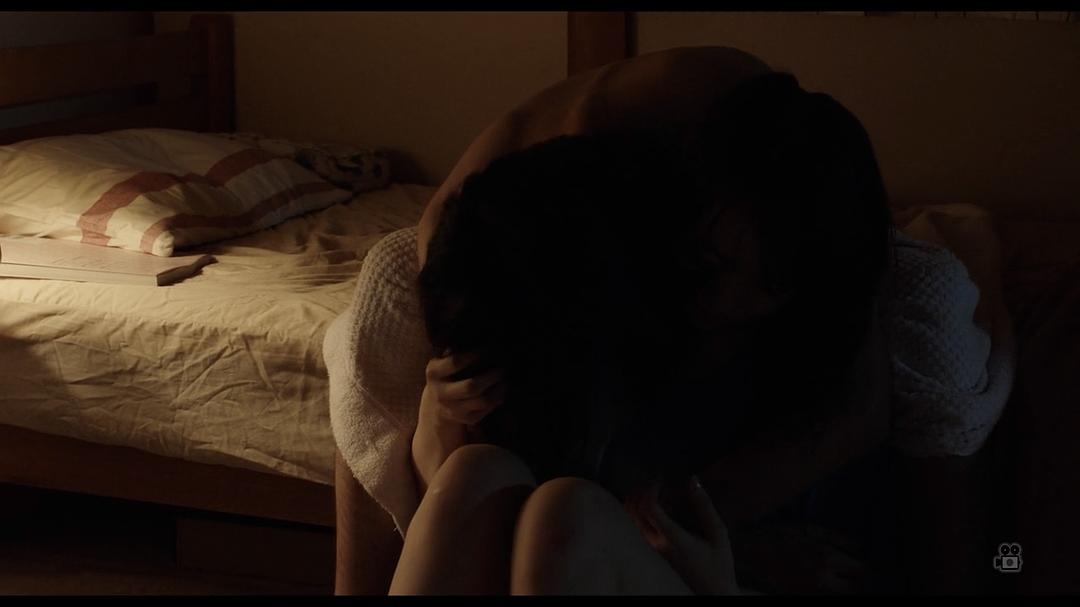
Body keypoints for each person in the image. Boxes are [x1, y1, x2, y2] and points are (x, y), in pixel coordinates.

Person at [388, 62, 893, 594]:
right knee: (477, 473)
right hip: (603, 555)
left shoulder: (819, 388)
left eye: (765, 281)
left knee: (569, 516)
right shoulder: (626, 309)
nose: (722, 296)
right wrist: (444, 409)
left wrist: (732, 561)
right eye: (708, 261)